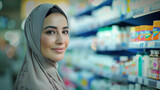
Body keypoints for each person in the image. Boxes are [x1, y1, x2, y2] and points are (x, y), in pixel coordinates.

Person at [13, 3, 69, 90]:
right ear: (33, 37)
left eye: (65, 31)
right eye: (51, 32)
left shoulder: (48, 73)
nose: (61, 41)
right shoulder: (38, 86)